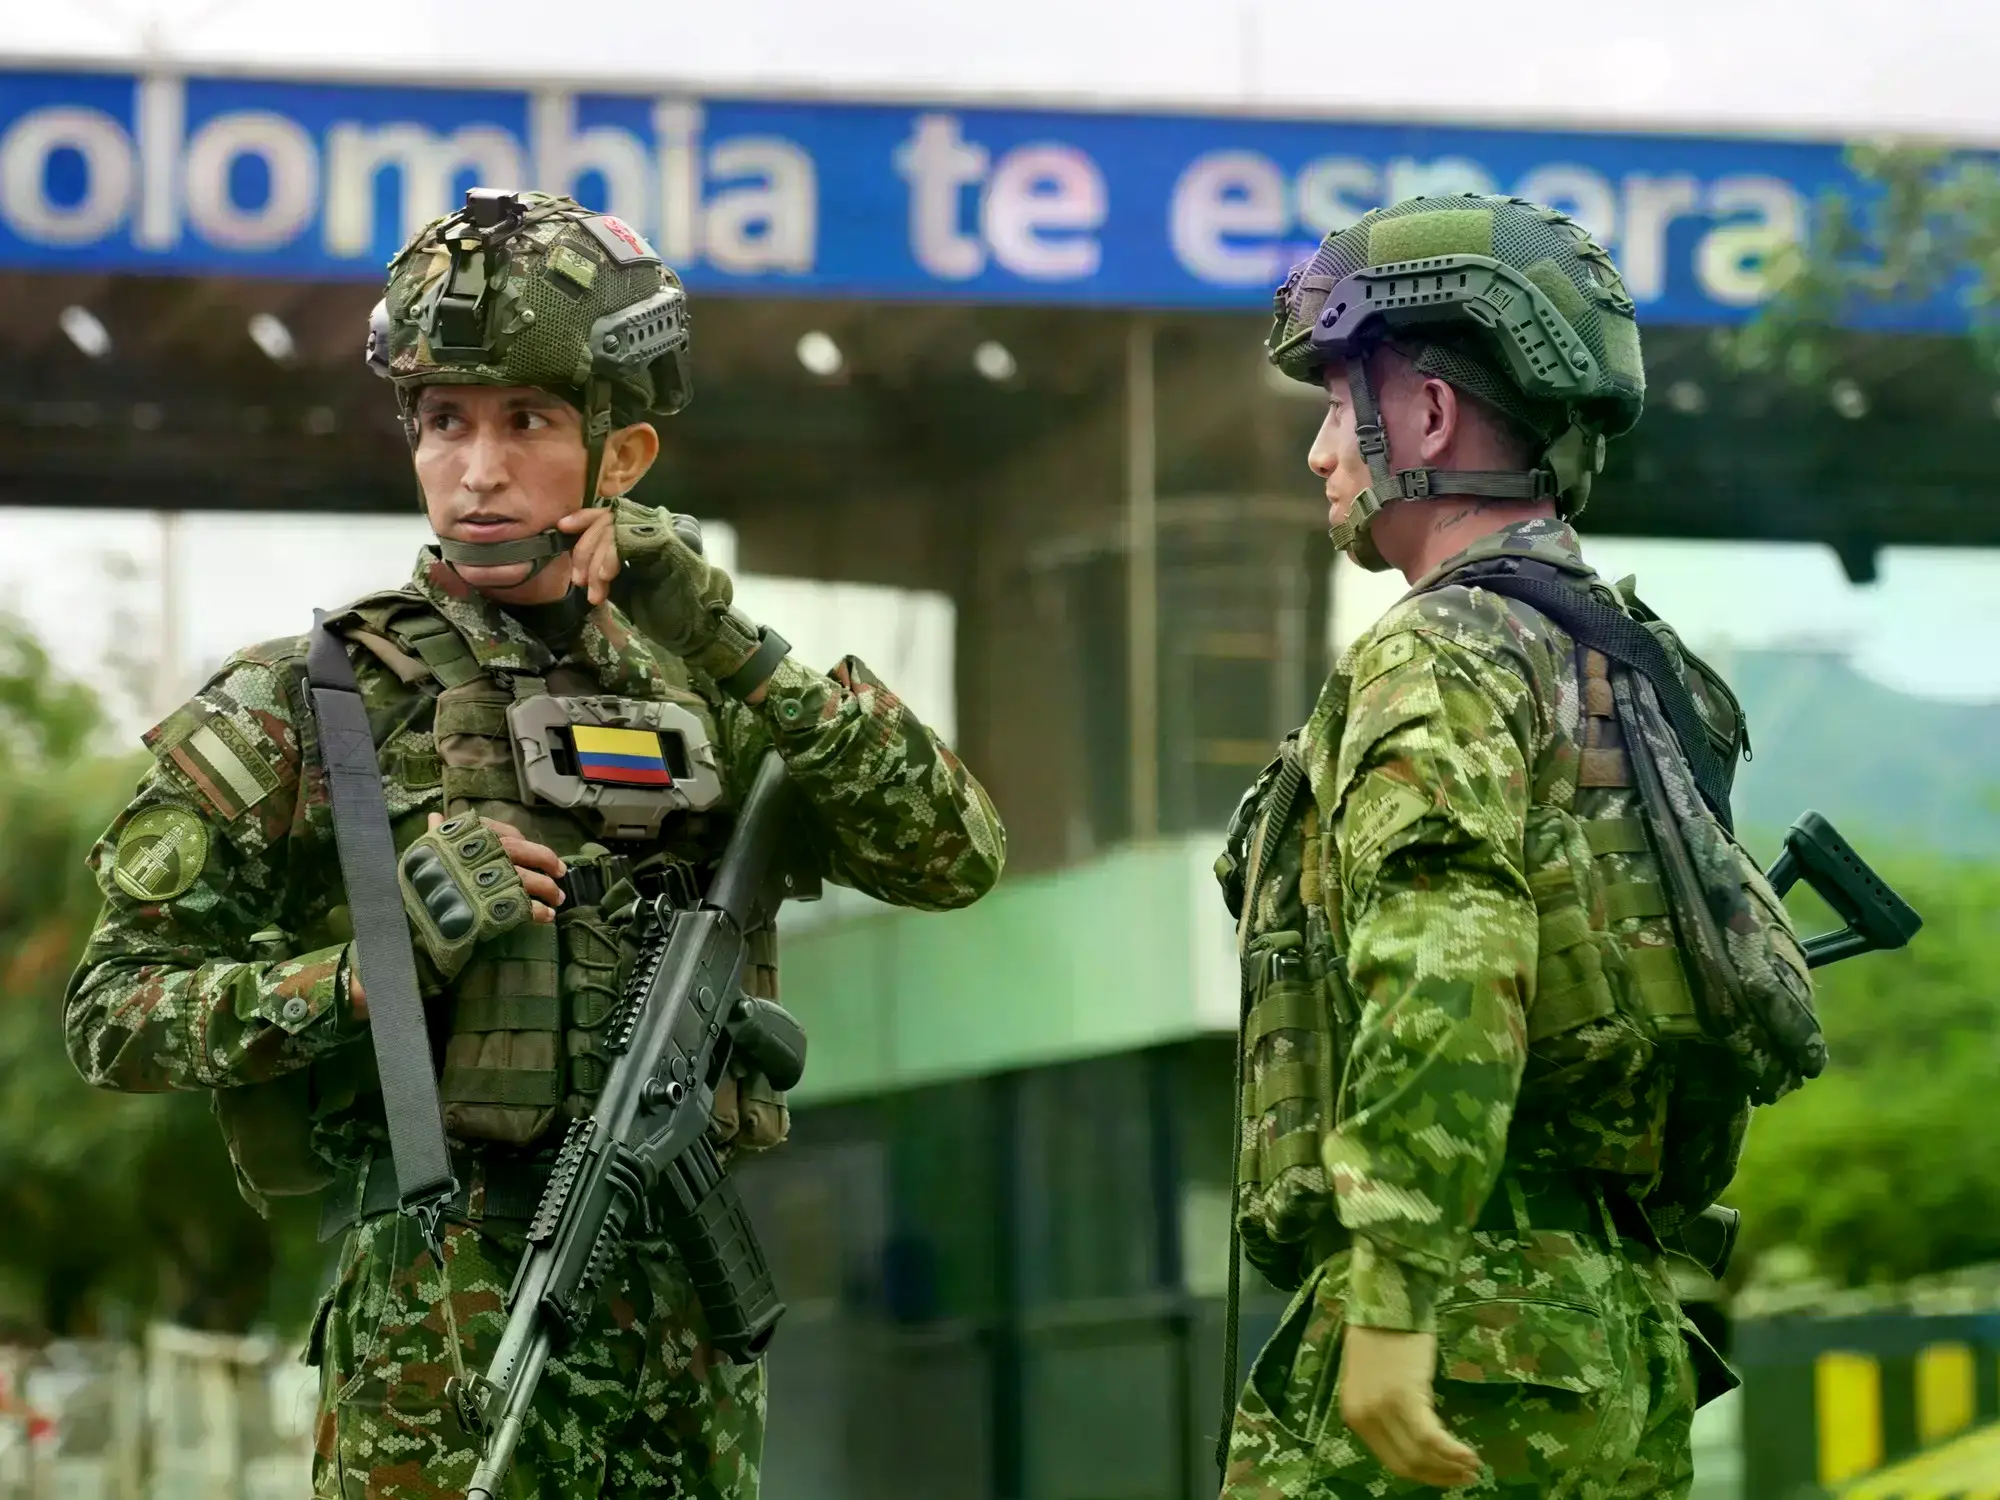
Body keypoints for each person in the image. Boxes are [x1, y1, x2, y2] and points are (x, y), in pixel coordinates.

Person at [64, 188, 1006, 1500]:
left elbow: (954, 857)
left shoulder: (710, 688)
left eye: (527, 422)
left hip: (689, 1336)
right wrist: (368, 966)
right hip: (443, 1335)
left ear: (622, 456)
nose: (478, 466)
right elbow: (113, 1015)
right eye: (444, 421)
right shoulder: (311, 696)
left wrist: (733, 640)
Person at [1216, 193, 1747, 1498]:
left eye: (1341, 408)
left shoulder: (1437, 655)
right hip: (1617, 1324)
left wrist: (1393, 1299)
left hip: (1460, 1317)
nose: (1322, 454)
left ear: (1432, 419)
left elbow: (1449, 970)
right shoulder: (1641, 667)